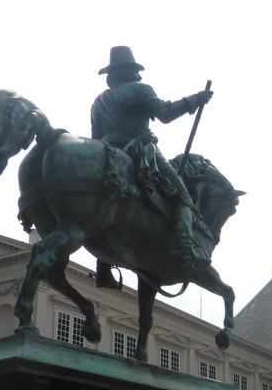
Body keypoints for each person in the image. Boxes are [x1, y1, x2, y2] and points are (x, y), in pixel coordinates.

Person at [90, 46, 214, 288]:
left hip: (107, 154)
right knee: (183, 197)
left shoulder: (99, 101)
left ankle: (103, 268)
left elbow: (95, 138)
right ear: (133, 71)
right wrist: (195, 99)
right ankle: (186, 251)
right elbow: (165, 114)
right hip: (139, 151)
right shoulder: (140, 90)